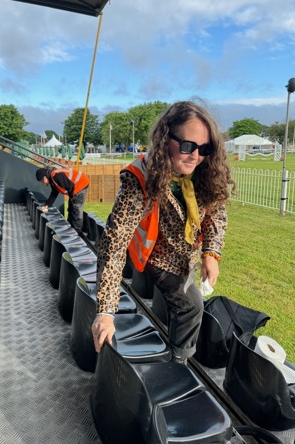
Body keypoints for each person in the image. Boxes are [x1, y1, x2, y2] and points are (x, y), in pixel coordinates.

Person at [91, 100, 235, 363]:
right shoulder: (140, 176)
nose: (196, 155)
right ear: (165, 138)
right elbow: (114, 242)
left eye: (205, 148)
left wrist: (211, 252)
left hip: (187, 255)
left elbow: (216, 213)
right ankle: (178, 362)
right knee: (191, 306)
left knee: (186, 302)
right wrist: (106, 312)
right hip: (158, 255)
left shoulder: (203, 171)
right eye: (188, 146)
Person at [35, 167, 90, 234]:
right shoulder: (52, 179)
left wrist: (72, 198)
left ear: (44, 177)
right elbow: (54, 193)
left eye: (42, 181)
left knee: (76, 209)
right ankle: (70, 227)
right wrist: (47, 205)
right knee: (71, 208)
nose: (43, 183)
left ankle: (77, 232)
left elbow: (70, 186)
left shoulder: (56, 176)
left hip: (81, 184)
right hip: (75, 186)